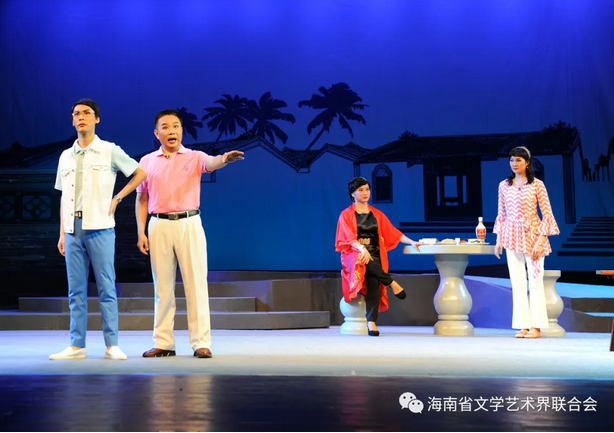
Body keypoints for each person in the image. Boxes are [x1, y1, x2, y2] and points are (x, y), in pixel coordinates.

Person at [136, 109, 244, 358]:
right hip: (159, 224)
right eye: (165, 127)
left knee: (196, 283)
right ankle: (163, 342)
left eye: (175, 126)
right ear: (157, 133)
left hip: (189, 222)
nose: (171, 131)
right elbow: (141, 198)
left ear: (181, 131)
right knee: (162, 286)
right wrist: (141, 231)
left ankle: (201, 342)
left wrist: (225, 159)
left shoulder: (194, 156)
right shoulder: (147, 161)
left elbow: (211, 163)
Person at [50, 99, 147, 360]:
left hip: (100, 226)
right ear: (72, 120)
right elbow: (64, 196)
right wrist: (62, 232)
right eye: (76, 114)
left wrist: (118, 198)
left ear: (97, 119)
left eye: (86, 113)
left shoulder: (108, 150)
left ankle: (111, 344)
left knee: (106, 286)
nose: (81, 117)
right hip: (72, 228)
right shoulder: (65, 155)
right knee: (75, 290)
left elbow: (140, 173)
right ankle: (76, 345)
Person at [335, 177, 422, 336]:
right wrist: (362, 248)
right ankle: (391, 282)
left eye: (367, 189)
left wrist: (412, 242)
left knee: (373, 280)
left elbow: (393, 232)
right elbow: (347, 237)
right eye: (360, 190)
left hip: (374, 253)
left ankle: (372, 322)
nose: (365, 193)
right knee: (362, 258)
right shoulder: (346, 214)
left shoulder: (377, 214)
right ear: (352, 194)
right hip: (353, 253)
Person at [494, 146, 560, 339]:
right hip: (511, 236)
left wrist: (541, 240)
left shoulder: (537, 185)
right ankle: (522, 325)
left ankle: (536, 327)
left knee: (536, 281)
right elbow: (502, 213)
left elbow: (547, 214)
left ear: (527, 163)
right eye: (512, 160)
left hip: (533, 235)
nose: (514, 164)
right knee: (517, 282)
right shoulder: (504, 185)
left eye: (519, 160)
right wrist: (499, 239)